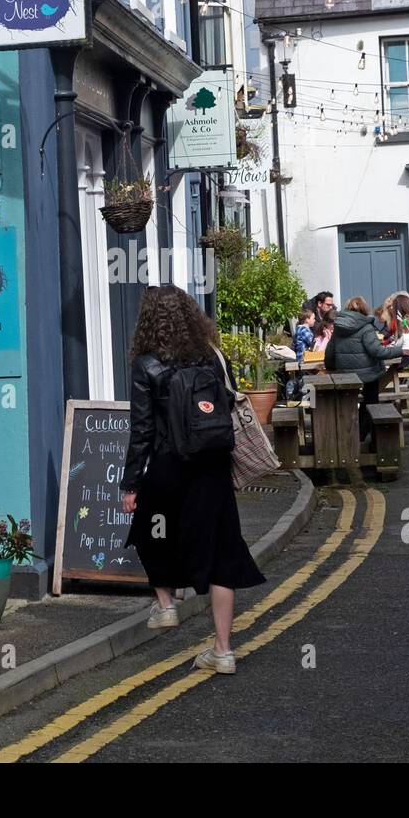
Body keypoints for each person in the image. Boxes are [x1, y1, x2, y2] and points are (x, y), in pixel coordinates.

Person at [121, 285, 266, 675]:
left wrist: (130, 484)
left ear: (148, 321)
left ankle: (166, 605)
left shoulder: (146, 365)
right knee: (221, 553)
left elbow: (142, 431)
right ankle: (223, 650)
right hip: (213, 465)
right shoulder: (212, 356)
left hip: (170, 465)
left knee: (150, 533)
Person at [324, 296, 409, 437]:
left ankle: (352, 434)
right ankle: (369, 437)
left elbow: (329, 353)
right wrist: (399, 351)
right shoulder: (366, 327)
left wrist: (331, 368)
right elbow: (376, 351)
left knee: (347, 402)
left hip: (344, 375)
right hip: (368, 374)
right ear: (364, 309)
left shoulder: (338, 327)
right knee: (371, 402)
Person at [288, 307, 316, 400]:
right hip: (304, 359)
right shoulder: (304, 330)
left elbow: (293, 346)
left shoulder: (298, 330)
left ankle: (300, 397)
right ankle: (302, 398)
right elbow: (312, 342)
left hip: (300, 358)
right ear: (307, 320)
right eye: (313, 318)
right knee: (304, 379)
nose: (315, 320)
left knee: (303, 379)